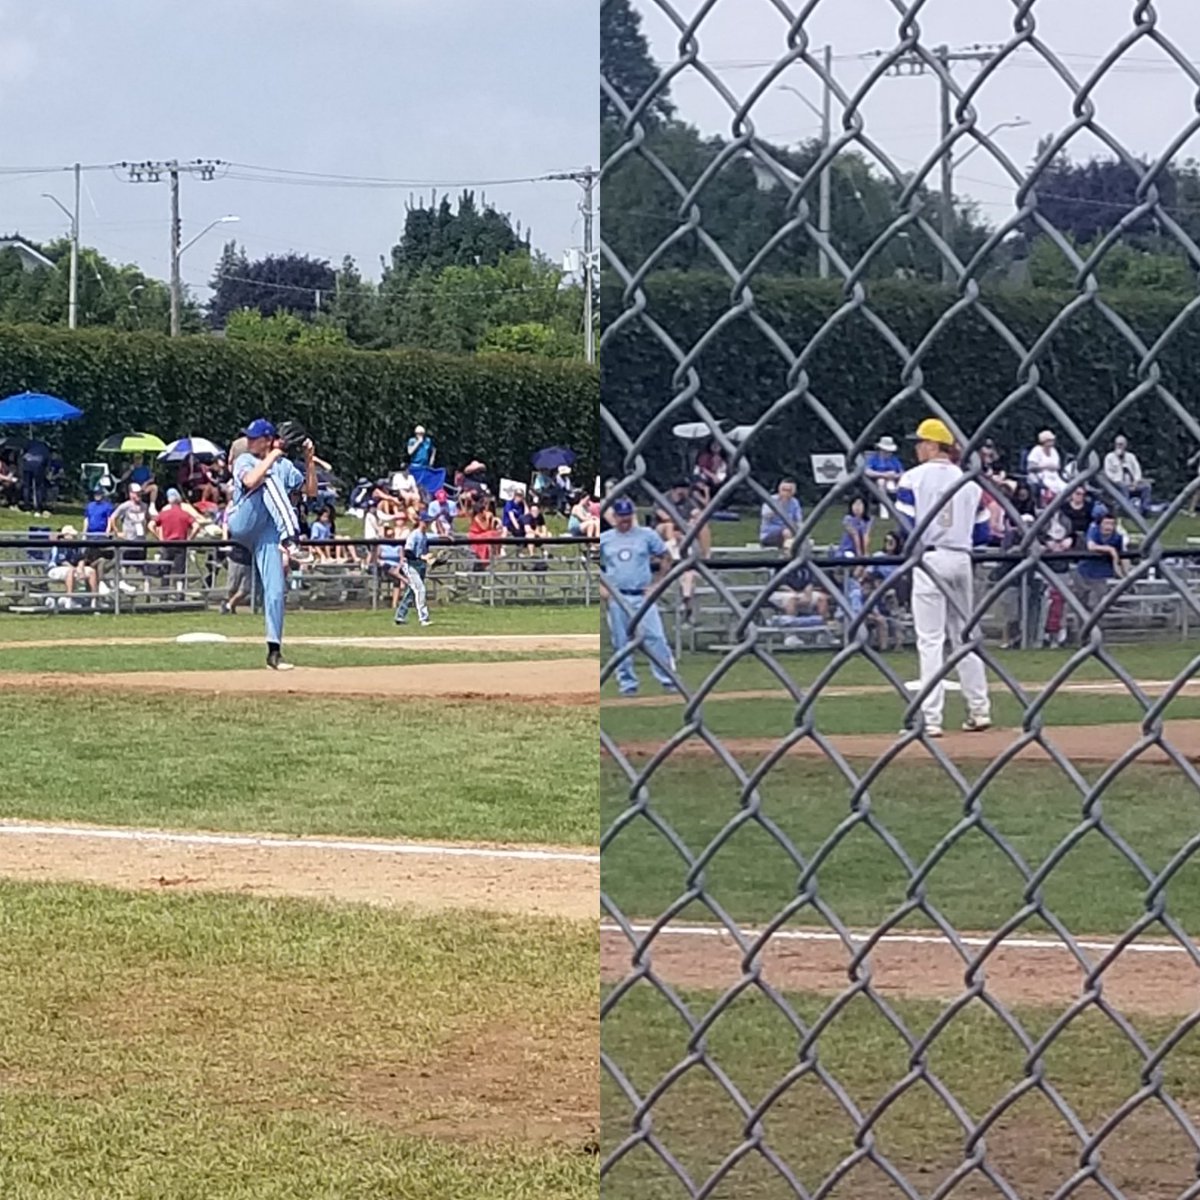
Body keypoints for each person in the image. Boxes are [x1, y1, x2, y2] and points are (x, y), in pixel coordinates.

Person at [895, 417, 993, 737]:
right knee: (965, 636)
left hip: (929, 557)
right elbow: (982, 532)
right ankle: (979, 709)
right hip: (962, 557)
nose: (917, 448)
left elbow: (906, 526)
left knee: (930, 639)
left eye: (921, 442)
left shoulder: (911, 478)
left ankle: (931, 718)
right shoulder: (971, 481)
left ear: (934, 445)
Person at [226, 418, 318, 670]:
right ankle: (291, 539)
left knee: (276, 589)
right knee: (266, 479)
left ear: (267, 439)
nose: (249, 441)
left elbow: (310, 492)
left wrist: (309, 460)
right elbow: (250, 481)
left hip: (267, 529)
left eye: (255, 438)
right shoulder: (246, 459)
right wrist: (277, 451)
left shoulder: (285, 466)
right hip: (243, 520)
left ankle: (274, 653)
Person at [600, 496, 677, 697]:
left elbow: (666, 557)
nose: (624, 520)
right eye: (621, 516)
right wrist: (603, 588)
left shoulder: (646, 535)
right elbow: (593, 562)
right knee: (621, 642)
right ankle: (627, 684)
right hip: (618, 596)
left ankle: (668, 679)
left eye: (628, 516)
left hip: (642, 595)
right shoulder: (606, 538)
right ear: (614, 517)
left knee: (656, 638)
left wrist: (657, 584)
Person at [1077, 507, 1126, 613]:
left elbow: (1121, 556)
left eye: (1111, 524)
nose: (1108, 527)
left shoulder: (1117, 537)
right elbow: (1091, 546)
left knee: (1096, 604)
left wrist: (1124, 573)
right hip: (1085, 570)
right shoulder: (1094, 529)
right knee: (1081, 603)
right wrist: (1109, 549)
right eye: (1106, 523)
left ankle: (1093, 625)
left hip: (1102, 574)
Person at [395, 510, 433, 626]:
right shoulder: (414, 535)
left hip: (418, 565)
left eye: (428, 522)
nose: (427, 524)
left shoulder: (424, 535)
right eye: (425, 521)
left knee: (412, 591)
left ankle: (400, 616)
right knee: (420, 589)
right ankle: (423, 618)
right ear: (420, 521)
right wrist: (421, 557)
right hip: (410, 566)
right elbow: (407, 552)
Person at [1104, 435, 1152, 515]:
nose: (1119, 446)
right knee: (1123, 487)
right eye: (1118, 444)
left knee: (1147, 486)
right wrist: (1119, 481)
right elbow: (1108, 473)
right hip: (1118, 484)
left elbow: (1137, 471)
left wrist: (1135, 482)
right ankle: (1126, 511)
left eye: (1121, 444)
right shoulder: (1109, 457)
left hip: (1132, 483)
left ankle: (1145, 510)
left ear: (1125, 445)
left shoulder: (1131, 457)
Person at [759, 479, 803, 549]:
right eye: (784, 490)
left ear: (794, 491)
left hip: (790, 531)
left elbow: (798, 521)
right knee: (786, 532)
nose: (786, 492)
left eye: (789, 490)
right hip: (769, 534)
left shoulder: (795, 502)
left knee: (801, 533)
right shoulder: (771, 500)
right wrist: (779, 506)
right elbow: (766, 515)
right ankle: (787, 554)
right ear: (779, 489)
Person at [1027, 430, 1066, 499]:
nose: (1052, 442)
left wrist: (1055, 467)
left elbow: (1058, 466)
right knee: (1050, 489)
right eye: (1050, 440)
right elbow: (1030, 467)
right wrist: (1045, 466)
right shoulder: (1037, 450)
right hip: (1041, 477)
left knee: (1066, 488)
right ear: (1044, 441)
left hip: (1055, 477)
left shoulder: (1054, 451)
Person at [20, 438, 50, 516]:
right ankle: (38, 508)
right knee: (38, 487)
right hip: (39, 467)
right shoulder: (44, 447)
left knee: (26, 486)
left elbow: (22, 455)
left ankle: (27, 507)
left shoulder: (29, 444)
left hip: (27, 466)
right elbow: (47, 460)